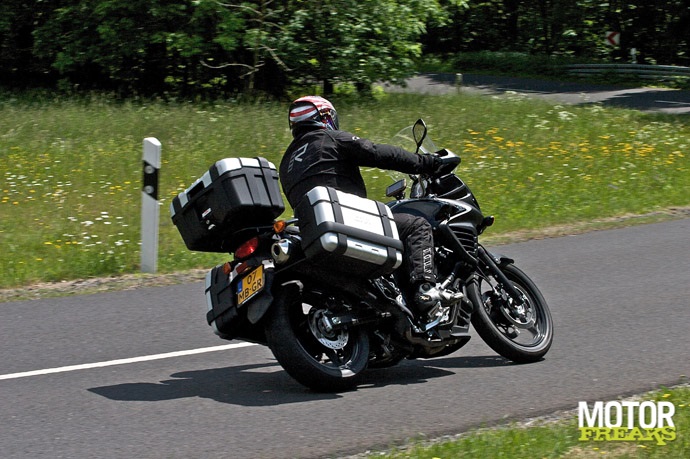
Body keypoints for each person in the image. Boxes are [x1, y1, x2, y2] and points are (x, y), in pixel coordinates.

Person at [279, 95, 461, 323]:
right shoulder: (329, 138)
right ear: (325, 117)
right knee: (416, 225)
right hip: (347, 220)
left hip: (314, 234)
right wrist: (427, 163)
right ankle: (425, 288)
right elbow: (375, 152)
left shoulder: (286, 163)